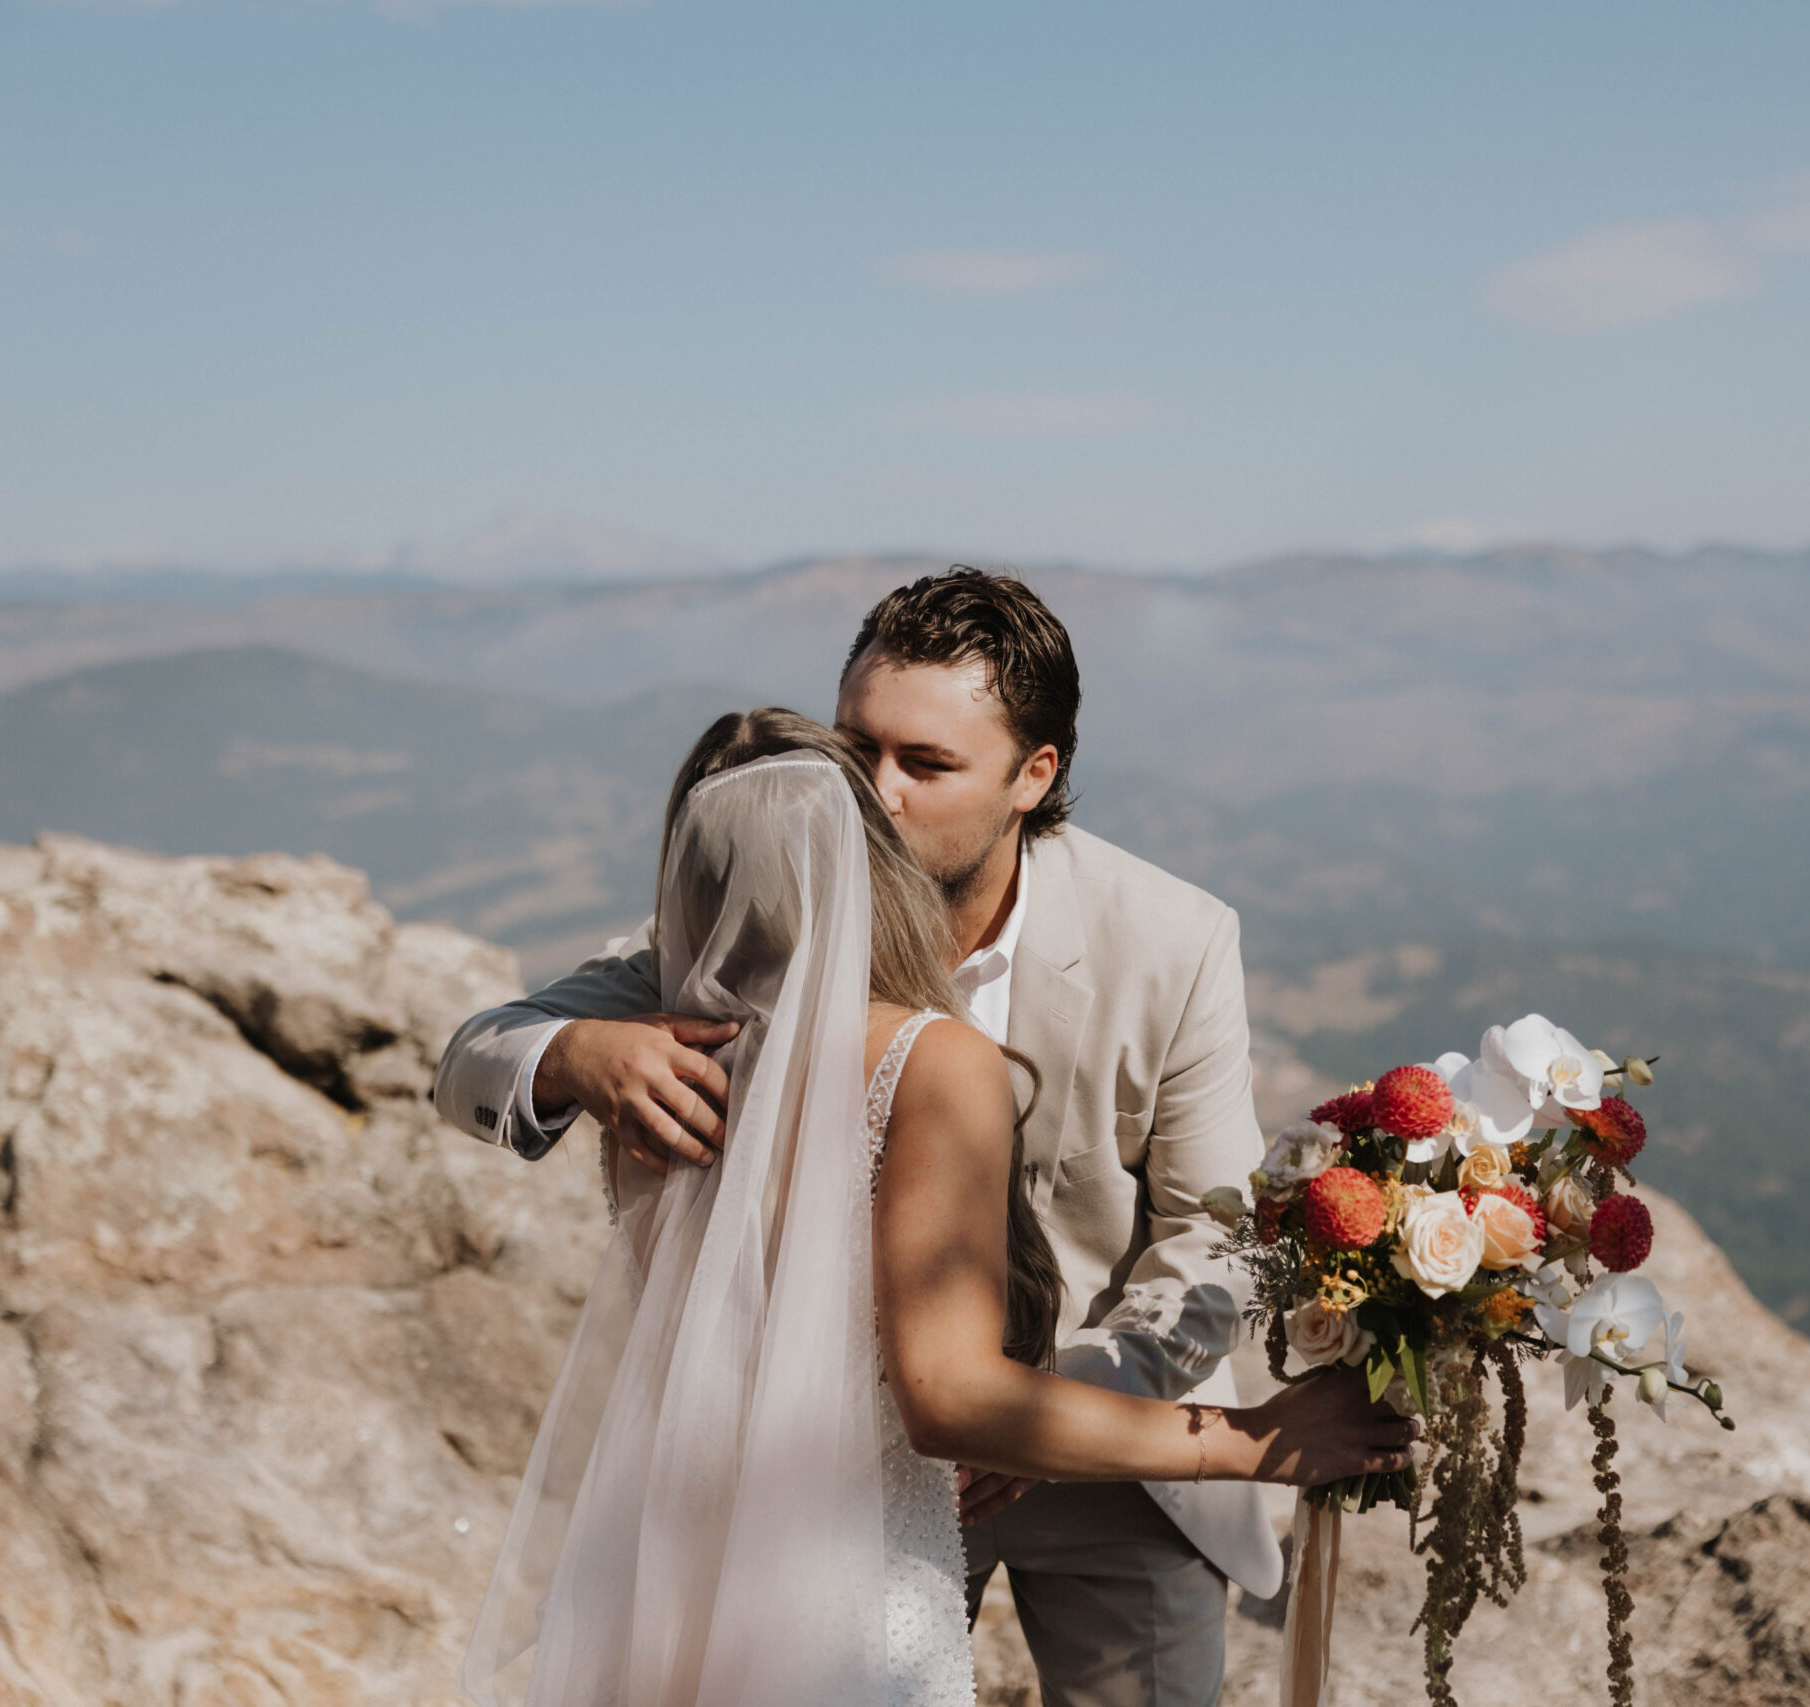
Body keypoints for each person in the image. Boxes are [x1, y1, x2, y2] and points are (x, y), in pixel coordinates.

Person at [438, 569, 1298, 1705]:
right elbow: (471, 1056)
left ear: (1033, 778)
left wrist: (1060, 1401)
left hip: (1115, 1464)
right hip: (832, 1490)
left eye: (927, 764)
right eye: (858, 750)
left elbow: (1221, 1236)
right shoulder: (755, 923)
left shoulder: (1174, 939)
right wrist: (576, 1058)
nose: (876, 798)